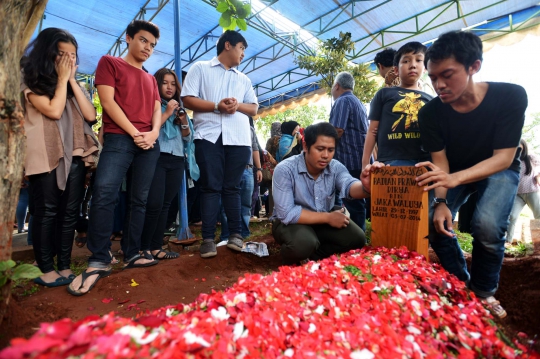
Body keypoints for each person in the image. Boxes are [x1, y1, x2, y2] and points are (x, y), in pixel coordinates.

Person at [415, 31, 527, 318]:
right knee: (432, 221)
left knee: (488, 226)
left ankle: (484, 291)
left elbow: (503, 157)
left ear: (473, 66)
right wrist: (441, 203)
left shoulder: (510, 96)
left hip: (497, 167)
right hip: (452, 170)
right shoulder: (430, 114)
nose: (439, 85)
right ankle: (461, 284)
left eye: (447, 75)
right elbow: (440, 163)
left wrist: (453, 180)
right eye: (433, 77)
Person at [68, 20, 162, 296]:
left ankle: (132, 253)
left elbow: (157, 109)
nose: (148, 48)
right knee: (105, 192)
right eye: (143, 40)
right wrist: (136, 133)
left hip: (148, 142)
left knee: (139, 199)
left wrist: (154, 133)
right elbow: (107, 102)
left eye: (153, 45)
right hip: (120, 137)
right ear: (129, 38)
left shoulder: (150, 77)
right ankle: (100, 257)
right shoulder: (109, 62)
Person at [20, 28, 99, 287]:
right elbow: (54, 111)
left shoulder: (74, 86)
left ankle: (63, 264)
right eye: (61, 54)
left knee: (68, 213)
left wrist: (72, 81)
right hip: (46, 153)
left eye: (72, 56)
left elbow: (90, 116)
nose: (68, 60)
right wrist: (64, 80)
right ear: (48, 54)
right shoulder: (30, 81)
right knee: (46, 212)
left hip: (75, 154)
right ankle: (45, 267)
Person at [181, 30, 258, 258]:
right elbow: (187, 99)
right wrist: (217, 106)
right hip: (208, 136)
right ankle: (207, 239)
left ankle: (235, 235)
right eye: (241, 48)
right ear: (228, 45)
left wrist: (236, 105)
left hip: (238, 138)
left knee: (232, 187)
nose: (243, 53)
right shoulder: (200, 69)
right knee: (211, 186)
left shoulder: (243, 79)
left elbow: (253, 108)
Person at [271, 122, 382, 265]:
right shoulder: (285, 169)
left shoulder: (335, 167)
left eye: (331, 150)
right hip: (290, 223)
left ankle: (312, 259)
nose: (325, 155)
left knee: (357, 239)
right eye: (320, 149)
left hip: (321, 219)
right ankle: (289, 262)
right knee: (303, 243)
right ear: (305, 146)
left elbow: (349, 185)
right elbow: (287, 214)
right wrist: (328, 217)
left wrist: (366, 187)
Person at [140, 68, 191, 259]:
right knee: (153, 203)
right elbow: (149, 128)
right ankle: (142, 247)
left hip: (177, 158)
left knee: (166, 205)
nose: (169, 87)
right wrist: (168, 112)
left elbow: (187, 137)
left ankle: (155, 247)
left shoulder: (179, 107)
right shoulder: (152, 105)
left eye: (172, 83)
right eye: (164, 83)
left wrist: (183, 119)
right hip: (157, 157)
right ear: (157, 84)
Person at [362, 42, 433, 169]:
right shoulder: (384, 94)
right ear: (395, 70)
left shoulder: (431, 100)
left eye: (418, 60)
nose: (412, 65)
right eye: (406, 61)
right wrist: (365, 164)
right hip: (389, 164)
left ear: (426, 67)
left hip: (423, 164)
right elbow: (372, 131)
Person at [329, 71, 369, 231]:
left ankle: (356, 238)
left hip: (349, 159)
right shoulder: (357, 102)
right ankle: (359, 234)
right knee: (357, 201)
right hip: (360, 158)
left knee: (352, 201)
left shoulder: (342, 101)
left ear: (337, 85)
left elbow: (337, 130)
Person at [220, 125, 263, 242]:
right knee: (226, 204)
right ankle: (226, 236)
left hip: (248, 169)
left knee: (246, 204)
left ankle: (244, 235)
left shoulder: (249, 128)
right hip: (229, 168)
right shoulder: (224, 124)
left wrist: (258, 169)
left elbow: (255, 149)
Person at [507, 139, 540, 242]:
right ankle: (508, 241)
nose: (518, 150)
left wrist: (538, 176)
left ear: (524, 148)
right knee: (512, 216)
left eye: (520, 148)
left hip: (532, 192)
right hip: (517, 195)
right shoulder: (511, 160)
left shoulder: (531, 158)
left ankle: (537, 241)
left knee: (538, 215)